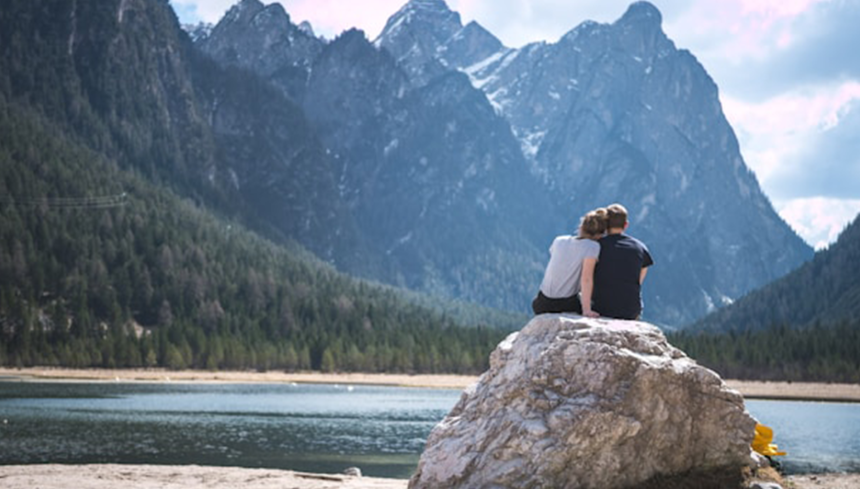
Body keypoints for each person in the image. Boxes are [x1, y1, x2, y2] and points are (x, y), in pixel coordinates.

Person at [532, 208, 607, 317]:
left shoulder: (559, 240)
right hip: (564, 304)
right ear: (600, 235)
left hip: (542, 302)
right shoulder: (592, 247)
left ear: (581, 227)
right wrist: (586, 310)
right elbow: (586, 279)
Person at [592, 203, 653, 320]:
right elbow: (638, 281)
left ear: (605, 225)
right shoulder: (640, 248)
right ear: (626, 225)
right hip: (631, 311)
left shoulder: (595, 247)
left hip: (601, 308)